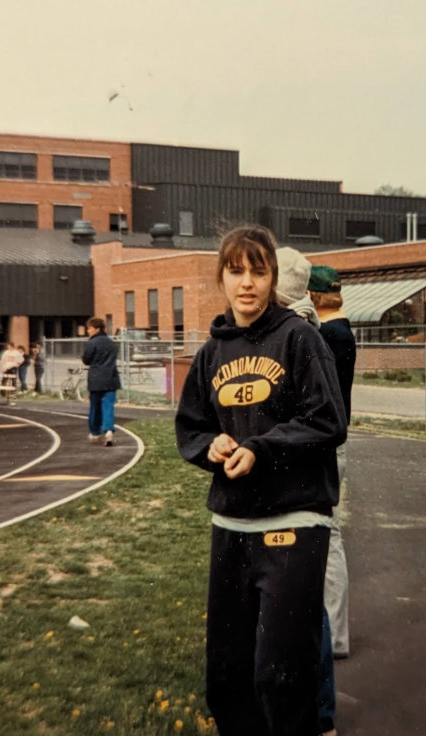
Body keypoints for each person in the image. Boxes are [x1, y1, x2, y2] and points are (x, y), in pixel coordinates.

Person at [175, 226, 347, 736]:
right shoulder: (212, 351)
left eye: (258, 271)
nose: (246, 283)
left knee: (281, 673)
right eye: (236, 271)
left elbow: (328, 421)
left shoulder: (301, 339)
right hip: (231, 525)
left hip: (293, 524)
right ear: (222, 277)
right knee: (227, 676)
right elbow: (191, 425)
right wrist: (212, 446)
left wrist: (259, 447)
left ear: (272, 277)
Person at [275, 247, 339, 736]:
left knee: (304, 601)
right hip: (284, 486)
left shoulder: (303, 339)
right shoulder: (294, 332)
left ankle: (319, 712)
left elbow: (322, 421)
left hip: (301, 487)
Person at [309, 264, 355, 662]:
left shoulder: (328, 336)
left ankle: (335, 634)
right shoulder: (344, 331)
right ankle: (333, 631)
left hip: (325, 445)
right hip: (336, 441)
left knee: (328, 534)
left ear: (313, 296)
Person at [82, 317, 120, 446]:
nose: (88, 331)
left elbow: (86, 359)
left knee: (95, 407)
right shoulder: (111, 343)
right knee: (108, 406)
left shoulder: (92, 343)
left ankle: (95, 432)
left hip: (96, 379)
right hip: (111, 378)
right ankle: (108, 430)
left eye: (89, 328)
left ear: (96, 328)